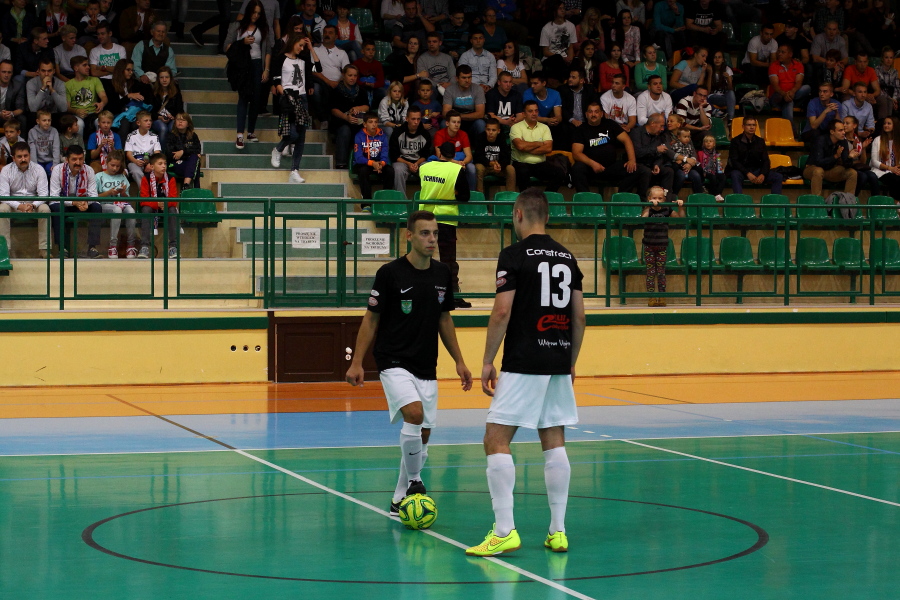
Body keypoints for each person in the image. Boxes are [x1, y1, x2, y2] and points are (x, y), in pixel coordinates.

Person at [464, 187, 585, 557]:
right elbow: (580, 317)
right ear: (546, 215)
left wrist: (488, 360)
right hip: (557, 359)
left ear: (518, 214)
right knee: (554, 439)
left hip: (524, 359)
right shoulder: (567, 257)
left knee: (495, 438)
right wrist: (570, 360)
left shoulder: (514, 254)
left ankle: (504, 531)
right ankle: (558, 531)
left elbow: (502, 311)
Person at [345, 209, 472, 517]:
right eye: (425, 233)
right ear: (409, 235)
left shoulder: (442, 273)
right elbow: (371, 319)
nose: (432, 239)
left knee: (423, 433)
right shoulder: (390, 273)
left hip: (426, 362)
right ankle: (415, 481)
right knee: (414, 414)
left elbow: (444, 319)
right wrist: (357, 362)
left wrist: (459, 361)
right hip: (393, 358)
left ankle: (399, 497)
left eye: (435, 234)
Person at [416, 141, 473, 308]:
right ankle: (452, 296)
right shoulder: (456, 170)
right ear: (454, 155)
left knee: (422, 258)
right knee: (448, 261)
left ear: (439, 152)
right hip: (446, 219)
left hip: (424, 219)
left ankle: (420, 294)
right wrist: (453, 192)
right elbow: (465, 196)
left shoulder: (424, 167)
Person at [270, 32, 320, 183]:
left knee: (301, 137)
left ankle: (294, 170)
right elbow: (276, 80)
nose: (301, 48)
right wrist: (285, 95)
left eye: (303, 46)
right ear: (293, 43)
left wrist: (311, 48)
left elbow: (318, 68)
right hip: (288, 97)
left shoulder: (303, 60)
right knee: (292, 133)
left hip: (302, 97)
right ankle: (278, 149)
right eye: (300, 45)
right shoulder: (281, 58)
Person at [226, 0, 272, 149]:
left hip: (258, 64)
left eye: (259, 13)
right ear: (248, 11)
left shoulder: (263, 28)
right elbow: (227, 46)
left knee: (256, 98)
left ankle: (251, 131)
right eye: (254, 12)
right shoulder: (237, 26)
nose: (256, 15)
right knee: (243, 97)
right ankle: (240, 134)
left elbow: (268, 50)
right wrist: (242, 42)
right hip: (242, 65)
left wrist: (266, 69)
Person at [571, 101, 642, 195]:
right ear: (586, 114)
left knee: (635, 170)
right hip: (590, 168)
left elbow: (627, 140)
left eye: (596, 112)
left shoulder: (610, 124)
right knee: (577, 168)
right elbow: (576, 153)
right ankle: (586, 200)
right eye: (590, 112)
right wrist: (593, 164)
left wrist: (632, 160)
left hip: (610, 167)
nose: (593, 114)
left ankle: (620, 199)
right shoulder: (580, 129)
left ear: (601, 114)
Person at [48, 144, 101, 258]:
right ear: (67, 160)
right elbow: (54, 196)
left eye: (81, 159)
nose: (78, 162)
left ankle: (92, 247)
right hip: (64, 204)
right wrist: (73, 202)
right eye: (74, 159)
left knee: (97, 207)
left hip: (82, 203)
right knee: (56, 208)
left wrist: (87, 203)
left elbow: (93, 195)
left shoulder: (89, 170)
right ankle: (62, 248)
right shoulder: (57, 170)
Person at [0, 141, 50, 257]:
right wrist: (19, 206)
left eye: (25, 156)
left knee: (45, 209)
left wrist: (33, 205)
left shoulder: (39, 169)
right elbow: (4, 196)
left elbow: (44, 194)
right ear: (13, 158)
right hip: (14, 205)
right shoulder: (6, 170)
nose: (23, 159)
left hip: (33, 205)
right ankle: (5, 250)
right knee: (2, 209)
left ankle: (44, 250)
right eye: (19, 156)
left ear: (30, 156)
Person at [642, 186, 686, 307]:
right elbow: (642, 219)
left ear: (664, 199)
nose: (657, 200)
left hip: (662, 245)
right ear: (649, 198)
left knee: (661, 272)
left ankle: (662, 296)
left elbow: (681, 219)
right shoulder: (648, 210)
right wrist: (649, 206)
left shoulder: (667, 209)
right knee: (650, 272)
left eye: (660, 198)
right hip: (649, 246)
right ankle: (651, 297)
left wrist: (680, 207)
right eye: (654, 198)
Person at [509, 101, 565, 193]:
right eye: (530, 111)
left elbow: (548, 148)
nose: (534, 113)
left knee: (559, 173)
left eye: (536, 111)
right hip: (521, 162)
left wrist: (527, 147)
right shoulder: (516, 127)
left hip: (540, 163)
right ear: (524, 114)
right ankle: (526, 198)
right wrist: (539, 143)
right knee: (523, 172)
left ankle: (546, 197)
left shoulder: (544, 128)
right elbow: (520, 146)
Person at [94, 148, 135, 258]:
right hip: (105, 204)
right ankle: (112, 246)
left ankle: (131, 245)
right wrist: (108, 193)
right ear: (106, 162)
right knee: (116, 210)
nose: (115, 168)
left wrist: (123, 193)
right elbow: (94, 197)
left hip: (121, 203)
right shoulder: (99, 176)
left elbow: (127, 199)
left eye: (117, 166)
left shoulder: (122, 177)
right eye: (112, 165)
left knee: (131, 211)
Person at [726, 116, 783, 194]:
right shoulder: (735, 141)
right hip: (741, 171)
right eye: (749, 125)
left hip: (756, 170)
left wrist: (763, 174)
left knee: (778, 176)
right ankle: (739, 199)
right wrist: (747, 173)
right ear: (743, 126)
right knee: (735, 175)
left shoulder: (760, 141)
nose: (751, 127)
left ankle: (775, 201)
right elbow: (734, 161)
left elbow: (766, 160)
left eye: (753, 125)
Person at [138, 151, 179, 259]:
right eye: (160, 164)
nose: (164, 166)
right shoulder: (146, 179)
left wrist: (165, 204)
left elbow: (174, 199)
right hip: (152, 207)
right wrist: (157, 204)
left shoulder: (171, 179)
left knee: (172, 210)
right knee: (146, 209)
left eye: (165, 163)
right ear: (152, 166)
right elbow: (143, 200)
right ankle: (145, 246)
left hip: (166, 206)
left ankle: (173, 247)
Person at [803, 118, 858, 198]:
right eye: (840, 130)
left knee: (852, 172)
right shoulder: (820, 140)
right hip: (812, 168)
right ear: (832, 132)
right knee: (818, 171)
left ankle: (848, 200)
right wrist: (835, 156)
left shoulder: (843, 141)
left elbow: (846, 164)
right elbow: (818, 162)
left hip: (830, 170)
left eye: (843, 130)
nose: (843, 132)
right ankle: (816, 201)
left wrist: (849, 157)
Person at [329, 64, 369, 170]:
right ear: (344, 75)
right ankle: (341, 163)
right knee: (345, 130)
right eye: (350, 75)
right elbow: (333, 109)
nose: (353, 78)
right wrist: (346, 117)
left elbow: (367, 107)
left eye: (355, 76)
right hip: (341, 122)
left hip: (358, 122)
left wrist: (358, 108)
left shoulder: (361, 91)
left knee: (367, 129)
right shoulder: (336, 90)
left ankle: (363, 162)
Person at [389, 105, 431, 197]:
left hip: (418, 162)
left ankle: (426, 199)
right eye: (413, 119)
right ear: (407, 119)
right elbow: (394, 155)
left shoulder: (425, 134)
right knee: (397, 169)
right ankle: (401, 201)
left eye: (418, 119)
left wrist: (416, 163)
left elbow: (425, 155)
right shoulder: (397, 132)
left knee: (428, 168)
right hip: (402, 162)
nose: (416, 122)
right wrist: (408, 164)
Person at [630, 112, 676, 197]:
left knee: (668, 171)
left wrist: (656, 164)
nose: (662, 129)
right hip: (638, 163)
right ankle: (642, 199)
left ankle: (666, 199)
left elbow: (661, 155)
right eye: (661, 126)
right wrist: (656, 149)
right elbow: (638, 152)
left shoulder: (658, 135)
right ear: (652, 123)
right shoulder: (636, 132)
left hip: (651, 164)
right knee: (646, 171)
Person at [432, 110, 477, 190]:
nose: (456, 125)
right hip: (444, 161)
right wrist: (457, 163)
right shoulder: (439, 134)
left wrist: (463, 163)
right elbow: (440, 155)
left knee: (471, 168)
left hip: (459, 161)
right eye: (454, 122)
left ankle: (471, 193)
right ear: (447, 123)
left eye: (458, 122)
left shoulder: (463, 134)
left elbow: (469, 156)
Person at [353, 111, 393, 201]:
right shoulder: (359, 136)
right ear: (365, 124)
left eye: (375, 122)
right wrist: (372, 163)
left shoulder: (383, 136)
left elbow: (385, 153)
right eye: (370, 122)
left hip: (378, 163)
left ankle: (385, 201)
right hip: (363, 163)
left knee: (390, 171)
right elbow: (358, 157)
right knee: (363, 171)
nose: (374, 125)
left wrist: (381, 163)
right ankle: (366, 203)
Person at [65, 55, 106, 137]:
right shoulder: (68, 85)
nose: (88, 67)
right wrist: (76, 111)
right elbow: (67, 107)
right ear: (76, 68)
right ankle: (80, 145)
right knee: (79, 124)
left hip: (93, 113)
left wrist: (102, 103)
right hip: (77, 115)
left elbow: (104, 97)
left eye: (88, 65)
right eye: (84, 65)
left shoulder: (95, 80)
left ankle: (101, 144)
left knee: (102, 122)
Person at [539, 0, 577, 85]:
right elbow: (545, 51)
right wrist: (562, 58)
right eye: (560, 8)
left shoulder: (571, 26)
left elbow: (571, 46)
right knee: (558, 58)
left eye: (563, 8)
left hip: (566, 57)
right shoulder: (546, 28)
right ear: (554, 11)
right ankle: (562, 82)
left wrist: (570, 59)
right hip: (551, 58)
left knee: (576, 61)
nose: (563, 10)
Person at [473, 117, 515, 192]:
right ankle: (480, 196)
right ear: (485, 129)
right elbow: (478, 157)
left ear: (498, 131)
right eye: (488, 129)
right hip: (485, 166)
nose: (490, 132)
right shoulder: (480, 137)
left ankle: (510, 196)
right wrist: (490, 163)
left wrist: (500, 165)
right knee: (478, 168)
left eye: (493, 130)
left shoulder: (501, 138)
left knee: (510, 169)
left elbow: (506, 157)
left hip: (498, 167)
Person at [558, 67, 597, 147]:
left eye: (573, 77)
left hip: (587, 122)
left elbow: (596, 105)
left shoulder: (589, 89)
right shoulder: (563, 90)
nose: (570, 79)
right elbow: (563, 109)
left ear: (581, 80)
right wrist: (572, 120)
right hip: (570, 123)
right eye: (570, 77)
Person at [150, 66, 182, 152]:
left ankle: (172, 153)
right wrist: (159, 117)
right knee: (163, 128)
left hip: (172, 118)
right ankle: (161, 154)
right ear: (158, 79)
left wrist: (173, 116)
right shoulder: (154, 91)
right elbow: (150, 110)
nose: (164, 80)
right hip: (157, 118)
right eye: (162, 77)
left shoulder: (176, 90)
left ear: (170, 78)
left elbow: (180, 108)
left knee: (172, 128)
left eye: (167, 77)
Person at [869, 115, 900, 205]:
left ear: (895, 126)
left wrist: (897, 169)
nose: (886, 125)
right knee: (895, 179)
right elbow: (874, 161)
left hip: (895, 170)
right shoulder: (878, 140)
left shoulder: (898, 141)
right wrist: (890, 168)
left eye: (889, 123)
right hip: (881, 171)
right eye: (885, 123)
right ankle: (896, 204)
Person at [843, 115, 877, 195]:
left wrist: (863, 148)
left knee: (873, 176)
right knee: (863, 176)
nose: (844, 125)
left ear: (854, 125)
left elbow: (863, 162)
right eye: (843, 123)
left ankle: (876, 200)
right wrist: (853, 150)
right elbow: (844, 160)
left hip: (857, 167)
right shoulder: (842, 140)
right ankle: (852, 198)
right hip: (847, 167)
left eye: (847, 123)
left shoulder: (858, 140)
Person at [124, 110, 160, 185]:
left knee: (159, 169)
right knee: (136, 172)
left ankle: (155, 190)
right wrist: (135, 161)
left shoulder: (154, 136)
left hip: (150, 161)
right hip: (135, 161)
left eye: (150, 120)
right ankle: (144, 191)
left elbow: (157, 154)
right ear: (138, 123)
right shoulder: (131, 136)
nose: (149, 123)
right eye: (146, 121)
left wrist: (151, 163)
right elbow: (128, 154)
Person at [167, 112, 201, 191]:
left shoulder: (193, 136)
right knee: (195, 165)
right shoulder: (171, 136)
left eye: (183, 120)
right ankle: (191, 188)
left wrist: (182, 152)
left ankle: (186, 185)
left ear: (188, 124)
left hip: (190, 162)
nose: (180, 122)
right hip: (176, 163)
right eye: (178, 119)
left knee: (194, 158)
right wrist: (189, 153)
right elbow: (170, 153)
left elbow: (197, 150)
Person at [417, 32, 455, 97]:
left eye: (434, 42)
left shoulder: (447, 58)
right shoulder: (422, 59)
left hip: (448, 86)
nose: (431, 44)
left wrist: (449, 84)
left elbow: (453, 75)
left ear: (440, 43)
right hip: (433, 88)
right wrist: (438, 86)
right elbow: (424, 78)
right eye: (429, 42)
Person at [741, 25, 777, 89]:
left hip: (763, 65)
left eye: (771, 34)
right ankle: (753, 91)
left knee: (773, 70)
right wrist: (769, 64)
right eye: (766, 34)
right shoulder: (754, 41)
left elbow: (773, 60)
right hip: (749, 64)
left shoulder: (774, 43)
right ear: (761, 33)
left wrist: (771, 65)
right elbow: (753, 61)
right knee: (752, 70)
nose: (769, 37)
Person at [670, 126, 704, 194]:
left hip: (689, 166)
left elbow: (692, 157)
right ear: (679, 137)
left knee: (697, 174)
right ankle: (674, 194)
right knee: (680, 174)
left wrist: (690, 164)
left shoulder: (689, 146)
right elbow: (672, 156)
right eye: (685, 137)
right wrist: (677, 160)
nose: (687, 139)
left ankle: (700, 193)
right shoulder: (675, 145)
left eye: (688, 137)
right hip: (679, 166)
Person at [353, 40, 386, 108]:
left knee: (384, 92)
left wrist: (373, 85)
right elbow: (355, 80)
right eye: (368, 50)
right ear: (362, 51)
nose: (371, 52)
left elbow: (381, 82)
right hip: (361, 88)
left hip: (374, 88)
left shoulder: (377, 64)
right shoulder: (357, 63)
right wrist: (364, 84)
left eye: (373, 50)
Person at [653, 0, 686, 64]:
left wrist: (677, 13)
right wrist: (673, 30)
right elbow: (657, 25)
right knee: (660, 34)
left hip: (672, 29)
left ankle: (680, 59)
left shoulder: (680, 7)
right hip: (658, 30)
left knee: (681, 34)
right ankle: (664, 61)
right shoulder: (659, 5)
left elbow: (680, 25)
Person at [28, 109, 59, 177]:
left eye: (49, 120)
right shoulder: (32, 132)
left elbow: (56, 148)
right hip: (38, 161)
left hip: (50, 160)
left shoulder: (54, 131)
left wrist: (55, 164)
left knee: (53, 172)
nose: (47, 123)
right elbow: (32, 150)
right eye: (44, 120)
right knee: (38, 174)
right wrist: (34, 165)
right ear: (38, 121)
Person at [707, 50, 734, 122]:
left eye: (719, 57)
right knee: (730, 101)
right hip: (712, 97)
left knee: (731, 94)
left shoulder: (727, 69)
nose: (717, 59)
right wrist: (710, 73)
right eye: (715, 57)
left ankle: (730, 119)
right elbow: (708, 91)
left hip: (724, 97)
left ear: (723, 60)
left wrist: (728, 79)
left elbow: (730, 88)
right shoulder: (709, 69)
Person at [697, 134, 725, 201]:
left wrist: (720, 165)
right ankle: (715, 194)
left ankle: (718, 194)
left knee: (723, 177)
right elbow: (698, 163)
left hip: (715, 170)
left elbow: (719, 164)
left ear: (714, 144)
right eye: (706, 141)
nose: (708, 143)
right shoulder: (700, 153)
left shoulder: (716, 154)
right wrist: (702, 171)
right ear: (703, 144)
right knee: (713, 177)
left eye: (710, 141)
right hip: (704, 171)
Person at [875, 46, 900, 120]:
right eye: (886, 57)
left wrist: (894, 99)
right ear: (882, 58)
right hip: (880, 94)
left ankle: (893, 124)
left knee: (892, 102)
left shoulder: (895, 72)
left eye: (891, 58)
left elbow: (897, 87)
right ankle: (883, 122)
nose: (889, 60)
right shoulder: (877, 70)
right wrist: (890, 98)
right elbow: (877, 87)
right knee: (887, 101)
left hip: (892, 95)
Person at [0, 60, 25, 132]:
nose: (6, 75)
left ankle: (21, 139)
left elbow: (20, 108)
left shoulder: (17, 86)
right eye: (4, 72)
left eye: (9, 72)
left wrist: (12, 113)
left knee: (22, 119)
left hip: (10, 116)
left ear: (12, 73)